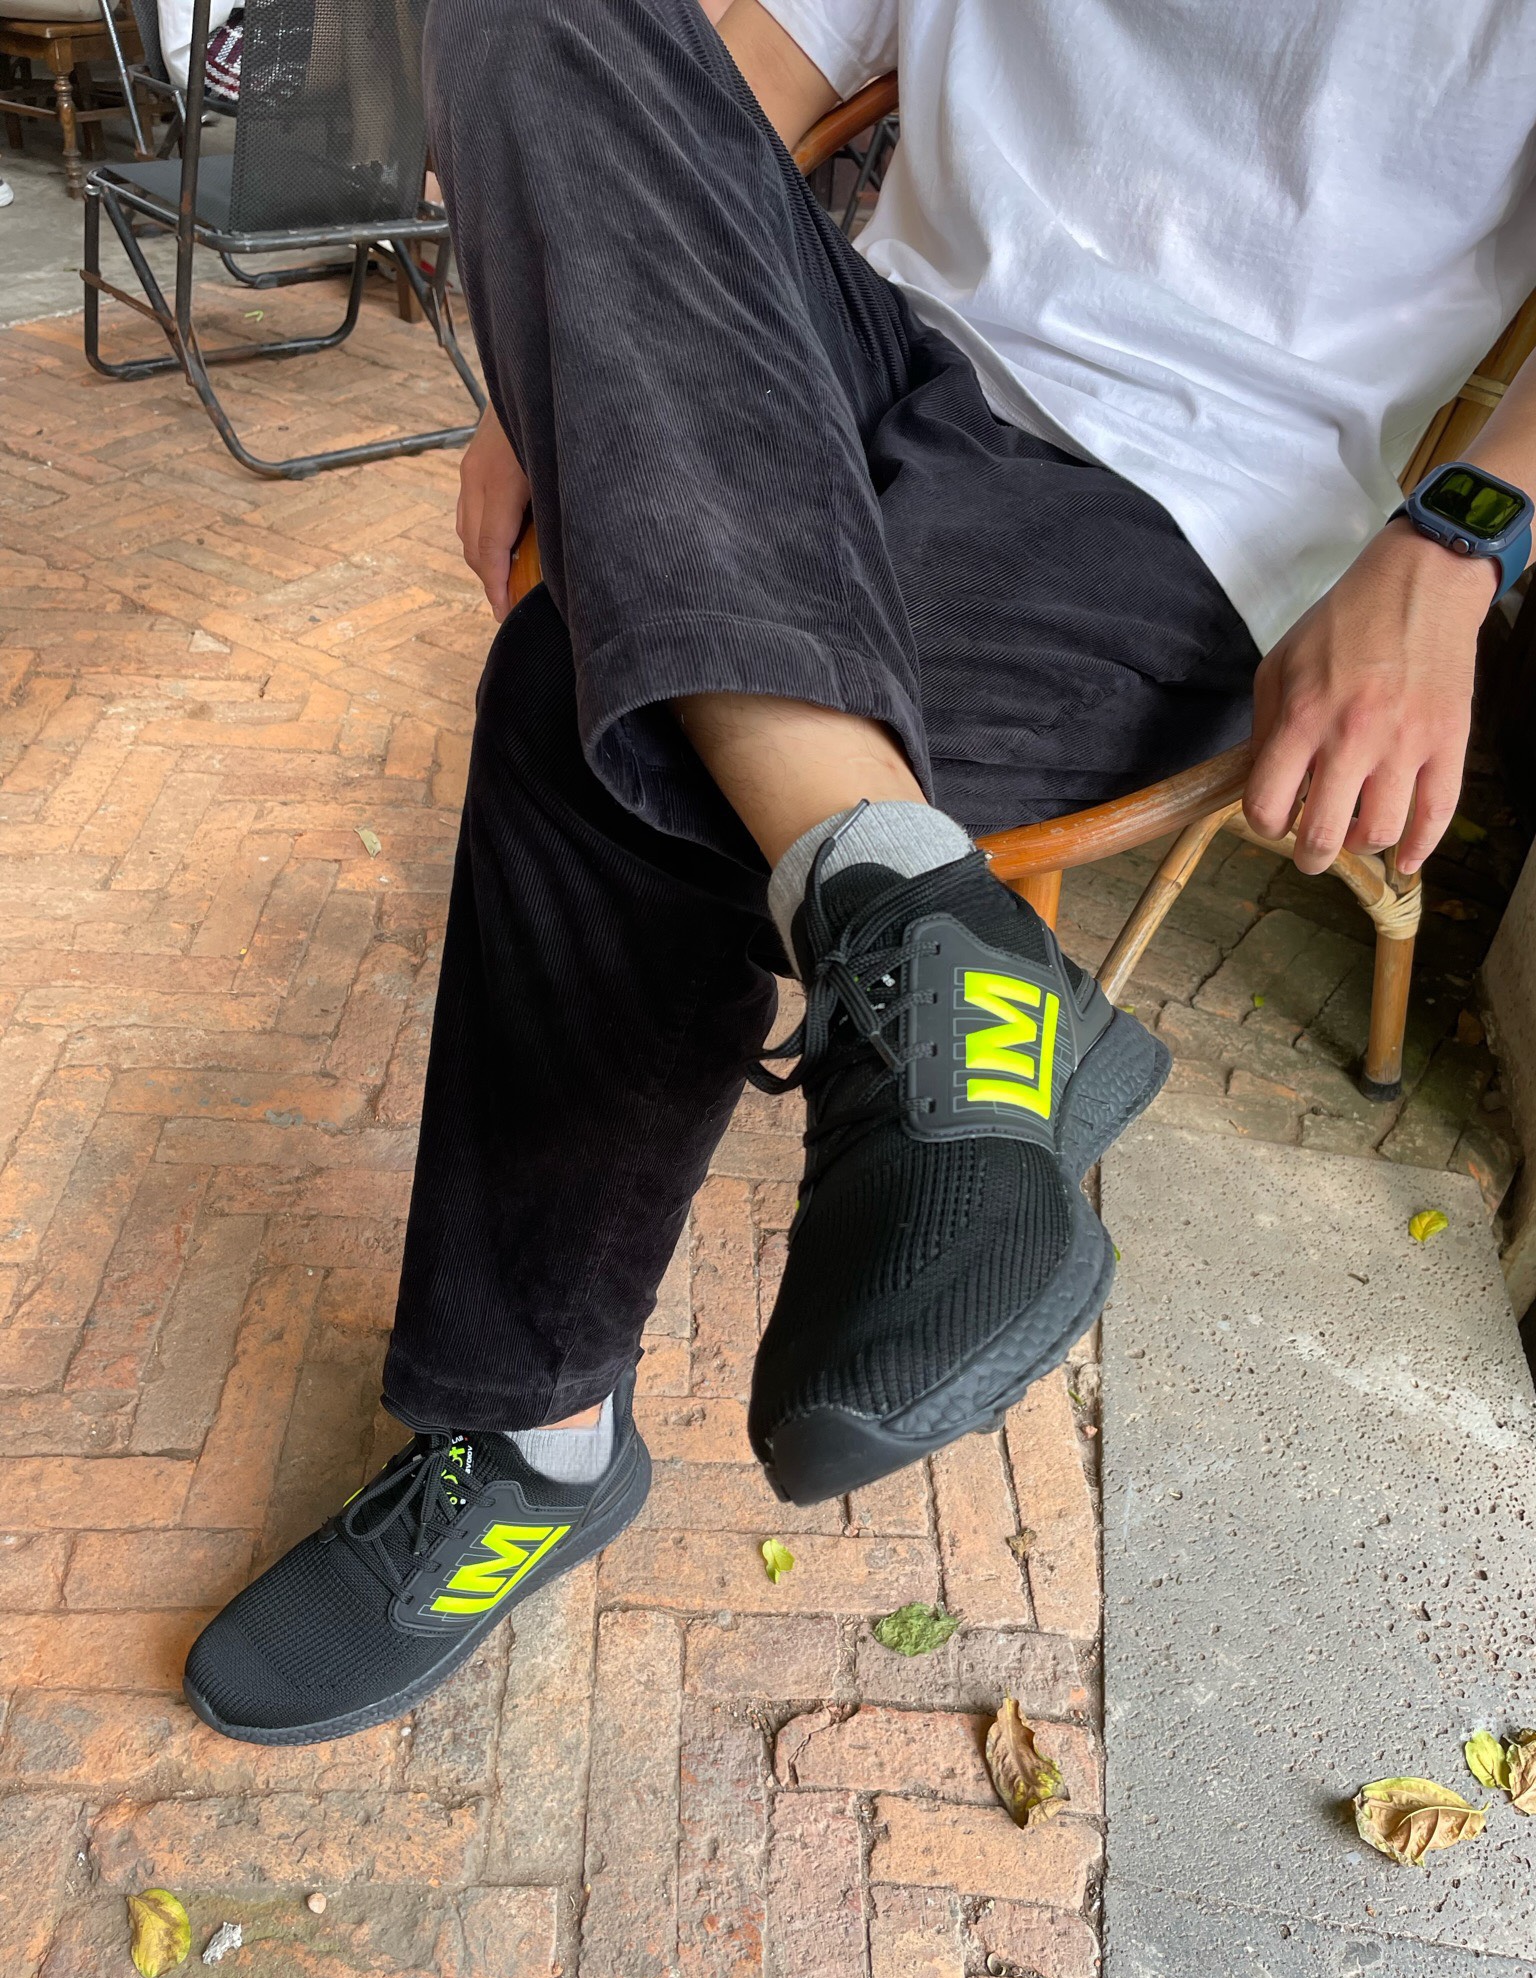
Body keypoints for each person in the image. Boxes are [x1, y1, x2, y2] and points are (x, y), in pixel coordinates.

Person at [182, 0, 1536, 1745]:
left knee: (586, 709)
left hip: (1193, 482)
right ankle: (911, 913)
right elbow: (773, 55)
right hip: (844, 345)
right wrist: (575, 340)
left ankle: (535, 1437)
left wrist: (1465, 540)